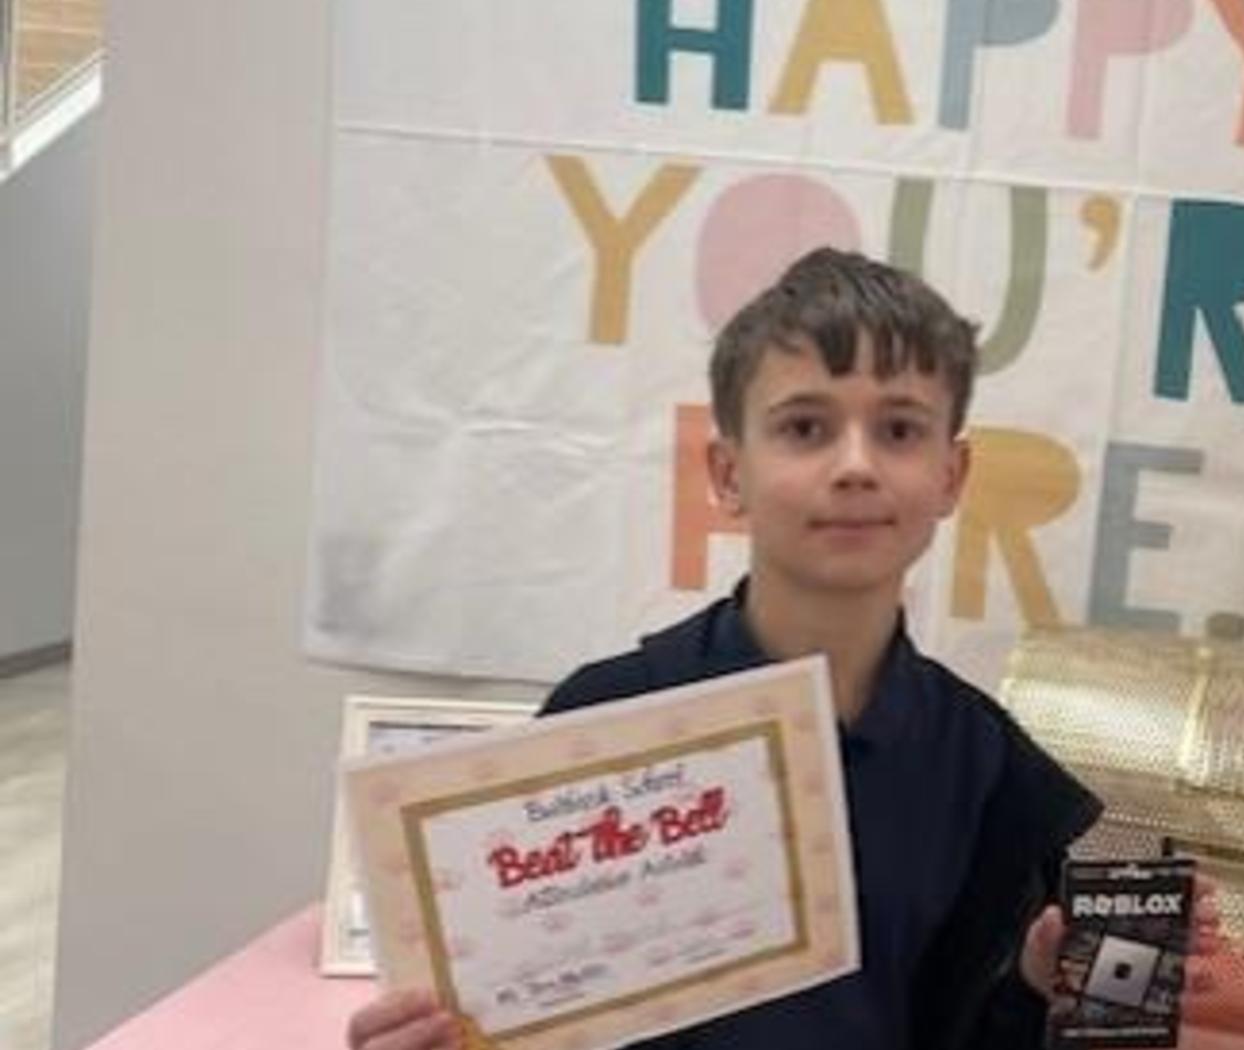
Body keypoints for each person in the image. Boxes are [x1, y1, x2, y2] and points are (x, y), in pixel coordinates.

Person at [347, 248, 1108, 1050]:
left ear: (950, 474)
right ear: (727, 471)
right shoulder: (600, 720)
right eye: (806, 427)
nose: (855, 466)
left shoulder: (982, 764)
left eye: (899, 429)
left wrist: (1035, 988)